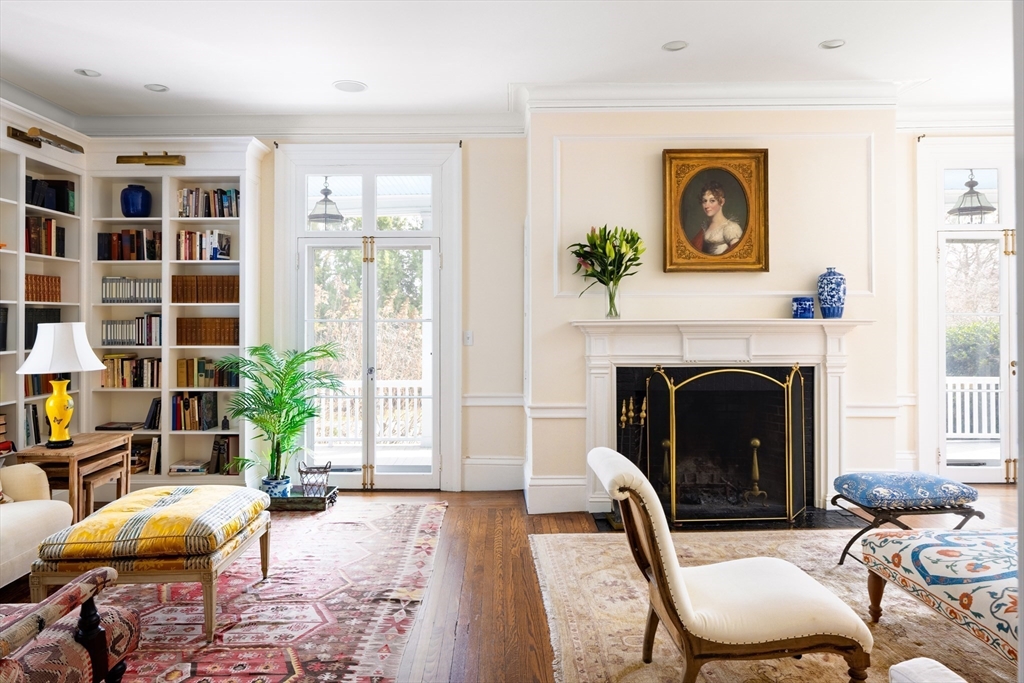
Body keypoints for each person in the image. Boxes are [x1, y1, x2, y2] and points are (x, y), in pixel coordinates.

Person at [693, 181, 743, 255]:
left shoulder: (731, 228)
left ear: (722, 202)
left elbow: (737, 256)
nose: (707, 206)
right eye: (704, 201)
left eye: (712, 201)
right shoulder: (705, 227)